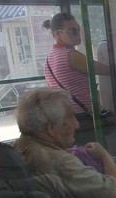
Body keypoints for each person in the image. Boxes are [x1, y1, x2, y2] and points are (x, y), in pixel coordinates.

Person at [13, 88, 116, 198]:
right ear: (52, 128)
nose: (77, 125)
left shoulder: (16, 148)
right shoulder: (63, 162)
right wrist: (105, 156)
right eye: (71, 117)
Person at [42, 13, 111, 144]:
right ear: (57, 34)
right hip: (82, 117)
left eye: (79, 29)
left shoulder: (49, 58)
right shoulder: (72, 56)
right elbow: (106, 70)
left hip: (65, 116)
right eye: (72, 31)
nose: (78, 34)